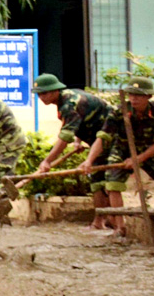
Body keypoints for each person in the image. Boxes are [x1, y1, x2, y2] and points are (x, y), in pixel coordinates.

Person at [80, 76, 154, 233]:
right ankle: (120, 226)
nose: (134, 98)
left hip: (150, 150)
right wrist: (89, 160)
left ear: (148, 97)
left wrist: (138, 159)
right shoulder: (118, 111)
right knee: (112, 183)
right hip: (122, 149)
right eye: (131, 94)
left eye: (139, 95)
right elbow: (103, 137)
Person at [32, 74, 112, 229]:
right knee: (98, 181)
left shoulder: (70, 103)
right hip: (96, 137)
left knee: (103, 179)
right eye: (39, 94)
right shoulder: (66, 98)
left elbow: (65, 136)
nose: (41, 97)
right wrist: (78, 141)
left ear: (55, 90)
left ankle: (103, 221)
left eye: (44, 93)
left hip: (111, 137)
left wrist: (47, 160)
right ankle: (103, 220)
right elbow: (77, 122)